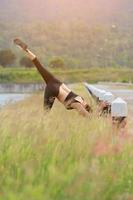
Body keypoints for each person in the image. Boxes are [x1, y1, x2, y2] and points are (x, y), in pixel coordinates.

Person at [14, 38, 92, 117]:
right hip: (55, 90)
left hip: (55, 81)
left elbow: (86, 106)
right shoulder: (76, 103)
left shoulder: (81, 99)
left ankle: (26, 50)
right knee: (46, 113)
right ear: (85, 107)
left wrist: (89, 110)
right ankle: (42, 123)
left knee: (38, 65)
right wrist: (90, 117)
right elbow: (81, 109)